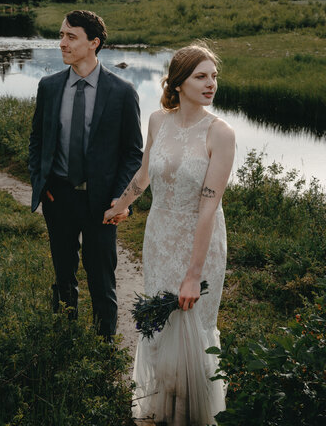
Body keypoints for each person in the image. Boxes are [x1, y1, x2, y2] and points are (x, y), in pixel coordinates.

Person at [104, 42, 235, 425]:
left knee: (194, 326)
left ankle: (193, 416)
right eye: (201, 76)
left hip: (201, 241)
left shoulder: (221, 133)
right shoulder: (159, 121)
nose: (211, 84)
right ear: (178, 83)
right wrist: (121, 204)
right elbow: (145, 175)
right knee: (161, 326)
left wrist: (194, 274)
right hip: (159, 235)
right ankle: (163, 408)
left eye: (214, 76)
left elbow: (209, 206)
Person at [29, 10, 143, 340]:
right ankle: (65, 339)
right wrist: (43, 184)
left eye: (70, 37)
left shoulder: (122, 92)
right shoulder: (49, 87)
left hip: (101, 205)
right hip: (58, 197)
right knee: (63, 274)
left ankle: (104, 345)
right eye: (61, 35)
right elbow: (37, 140)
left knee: (101, 278)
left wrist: (120, 200)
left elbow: (133, 153)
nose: (61, 43)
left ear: (93, 43)